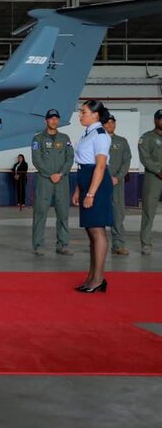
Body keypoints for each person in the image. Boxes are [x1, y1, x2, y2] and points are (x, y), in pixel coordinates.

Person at [72, 100, 113, 293]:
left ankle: (98, 279)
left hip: (96, 183)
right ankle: (92, 277)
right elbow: (83, 163)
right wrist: (79, 190)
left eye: (84, 112)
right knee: (91, 232)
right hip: (86, 180)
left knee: (97, 231)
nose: (81, 115)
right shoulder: (88, 133)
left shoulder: (100, 135)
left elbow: (100, 166)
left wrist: (90, 193)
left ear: (95, 115)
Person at [31, 109, 74, 256]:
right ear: (46, 121)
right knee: (40, 212)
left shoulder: (65, 138)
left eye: (56, 118)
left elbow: (70, 158)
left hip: (62, 181)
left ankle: (62, 244)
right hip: (45, 181)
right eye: (51, 118)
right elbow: (36, 159)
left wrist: (60, 173)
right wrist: (50, 174)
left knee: (63, 213)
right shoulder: (38, 139)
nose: (54, 121)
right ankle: (38, 245)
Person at [103, 114, 131, 255]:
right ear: (102, 125)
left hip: (116, 183)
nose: (110, 125)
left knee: (118, 214)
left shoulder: (122, 142)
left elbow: (126, 162)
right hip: (100, 183)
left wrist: (118, 177)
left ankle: (118, 244)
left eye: (112, 123)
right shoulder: (98, 140)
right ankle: (97, 244)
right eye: (107, 123)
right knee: (98, 214)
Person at [138, 109, 162, 255]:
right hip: (154, 177)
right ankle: (146, 243)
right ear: (155, 120)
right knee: (149, 210)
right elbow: (144, 157)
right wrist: (158, 170)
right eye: (160, 119)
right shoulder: (147, 137)